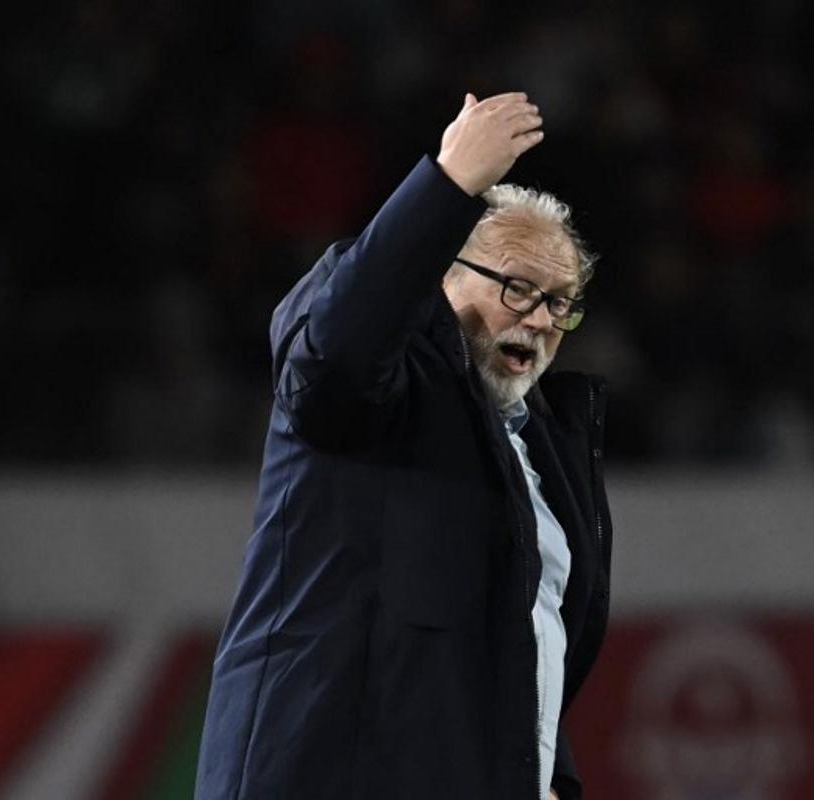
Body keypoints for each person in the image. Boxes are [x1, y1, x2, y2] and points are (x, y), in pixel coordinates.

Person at [195, 91, 612, 800]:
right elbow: (335, 354)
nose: (541, 319)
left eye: (559, 301)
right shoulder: (376, 396)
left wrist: (546, 778)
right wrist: (448, 185)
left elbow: (528, 646)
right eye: (517, 288)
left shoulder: (542, 452)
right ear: (439, 275)